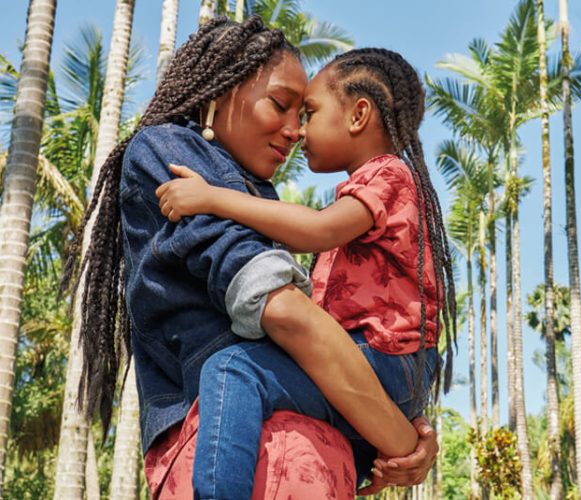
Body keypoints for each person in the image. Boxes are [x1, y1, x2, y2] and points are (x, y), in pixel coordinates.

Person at [66, 16, 438, 499]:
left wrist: (401, 432)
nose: (295, 132)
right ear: (218, 91)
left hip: (293, 460)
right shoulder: (171, 152)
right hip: (264, 459)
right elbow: (287, 313)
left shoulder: (254, 189)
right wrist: (402, 436)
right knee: (232, 368)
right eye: (282, 106)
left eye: (304, 113)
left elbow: (324, 329)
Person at [155, 47, 457, 499]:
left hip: (380, 362)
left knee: (233, 369)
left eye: (310, 112)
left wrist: (211, 198)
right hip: (387, 372)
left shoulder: (389, 175)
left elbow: (314, 230)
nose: (298, 131)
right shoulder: (373, 189)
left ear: (358, 115)